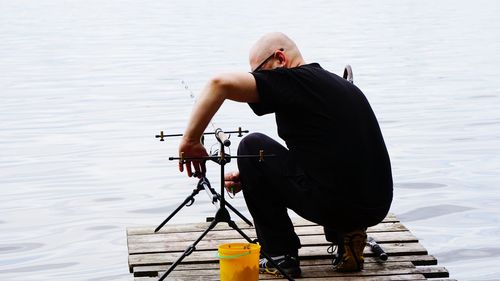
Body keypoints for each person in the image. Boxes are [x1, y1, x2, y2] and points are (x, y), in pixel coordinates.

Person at [178, 32, 393, 277]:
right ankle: (347, 237)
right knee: (260, 159)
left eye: (259, 72)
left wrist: (191, 140)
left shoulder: (295, 80)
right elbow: (324, 155)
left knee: (252, 145)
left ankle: (280, 255)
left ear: (280, 59)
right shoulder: (335, 85)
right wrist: (256, 175)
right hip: (375, 205)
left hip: (337, 205)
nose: (259, 80)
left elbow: (220, 84)